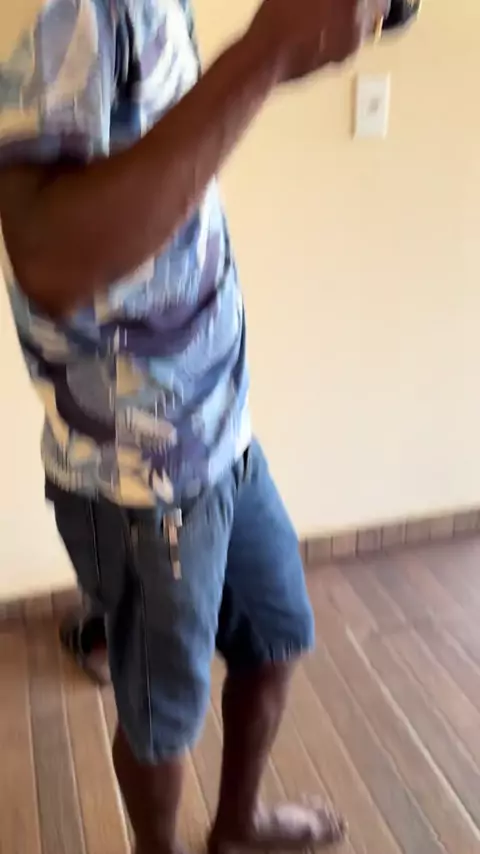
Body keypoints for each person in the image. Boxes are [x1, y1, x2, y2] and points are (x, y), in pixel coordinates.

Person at [0, 0, 388, 851]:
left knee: (276, 637)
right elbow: (48, 260)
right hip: (140, 483)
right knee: (161, 718)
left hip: (222, 436)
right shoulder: (83, 11)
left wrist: (274, 54)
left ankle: (236, 827)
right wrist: (263, 54)